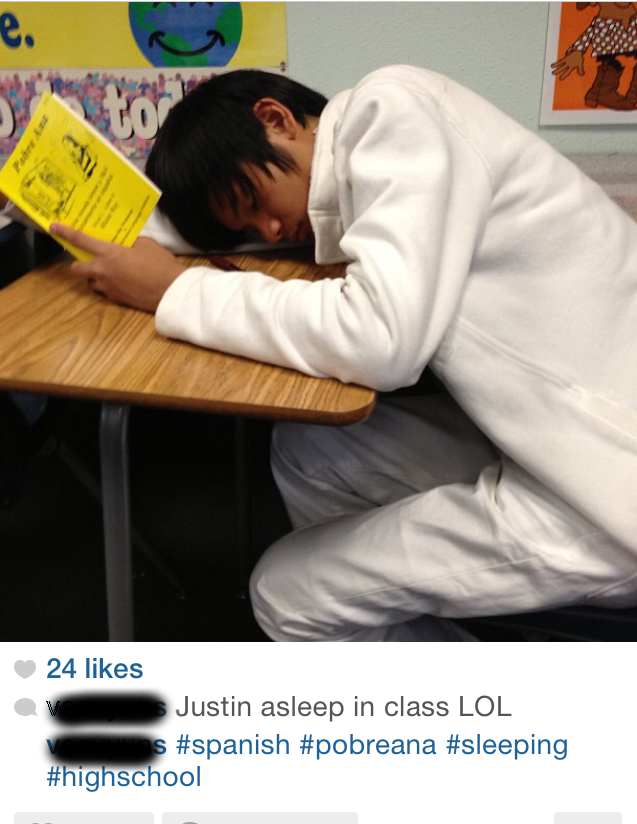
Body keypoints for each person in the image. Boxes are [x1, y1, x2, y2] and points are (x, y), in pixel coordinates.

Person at [48, 65, 637, 642]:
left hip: (604, 498)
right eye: (248, 225)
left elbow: (380, 340)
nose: (269, 230)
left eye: (254, 200)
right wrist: (67, 213)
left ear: (276, 119)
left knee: (283, 597)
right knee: (312, 447)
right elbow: (232, 226)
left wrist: (176, 291)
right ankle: (393, 624)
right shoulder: (372, 160)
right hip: (557, 442)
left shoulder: (390, 111)